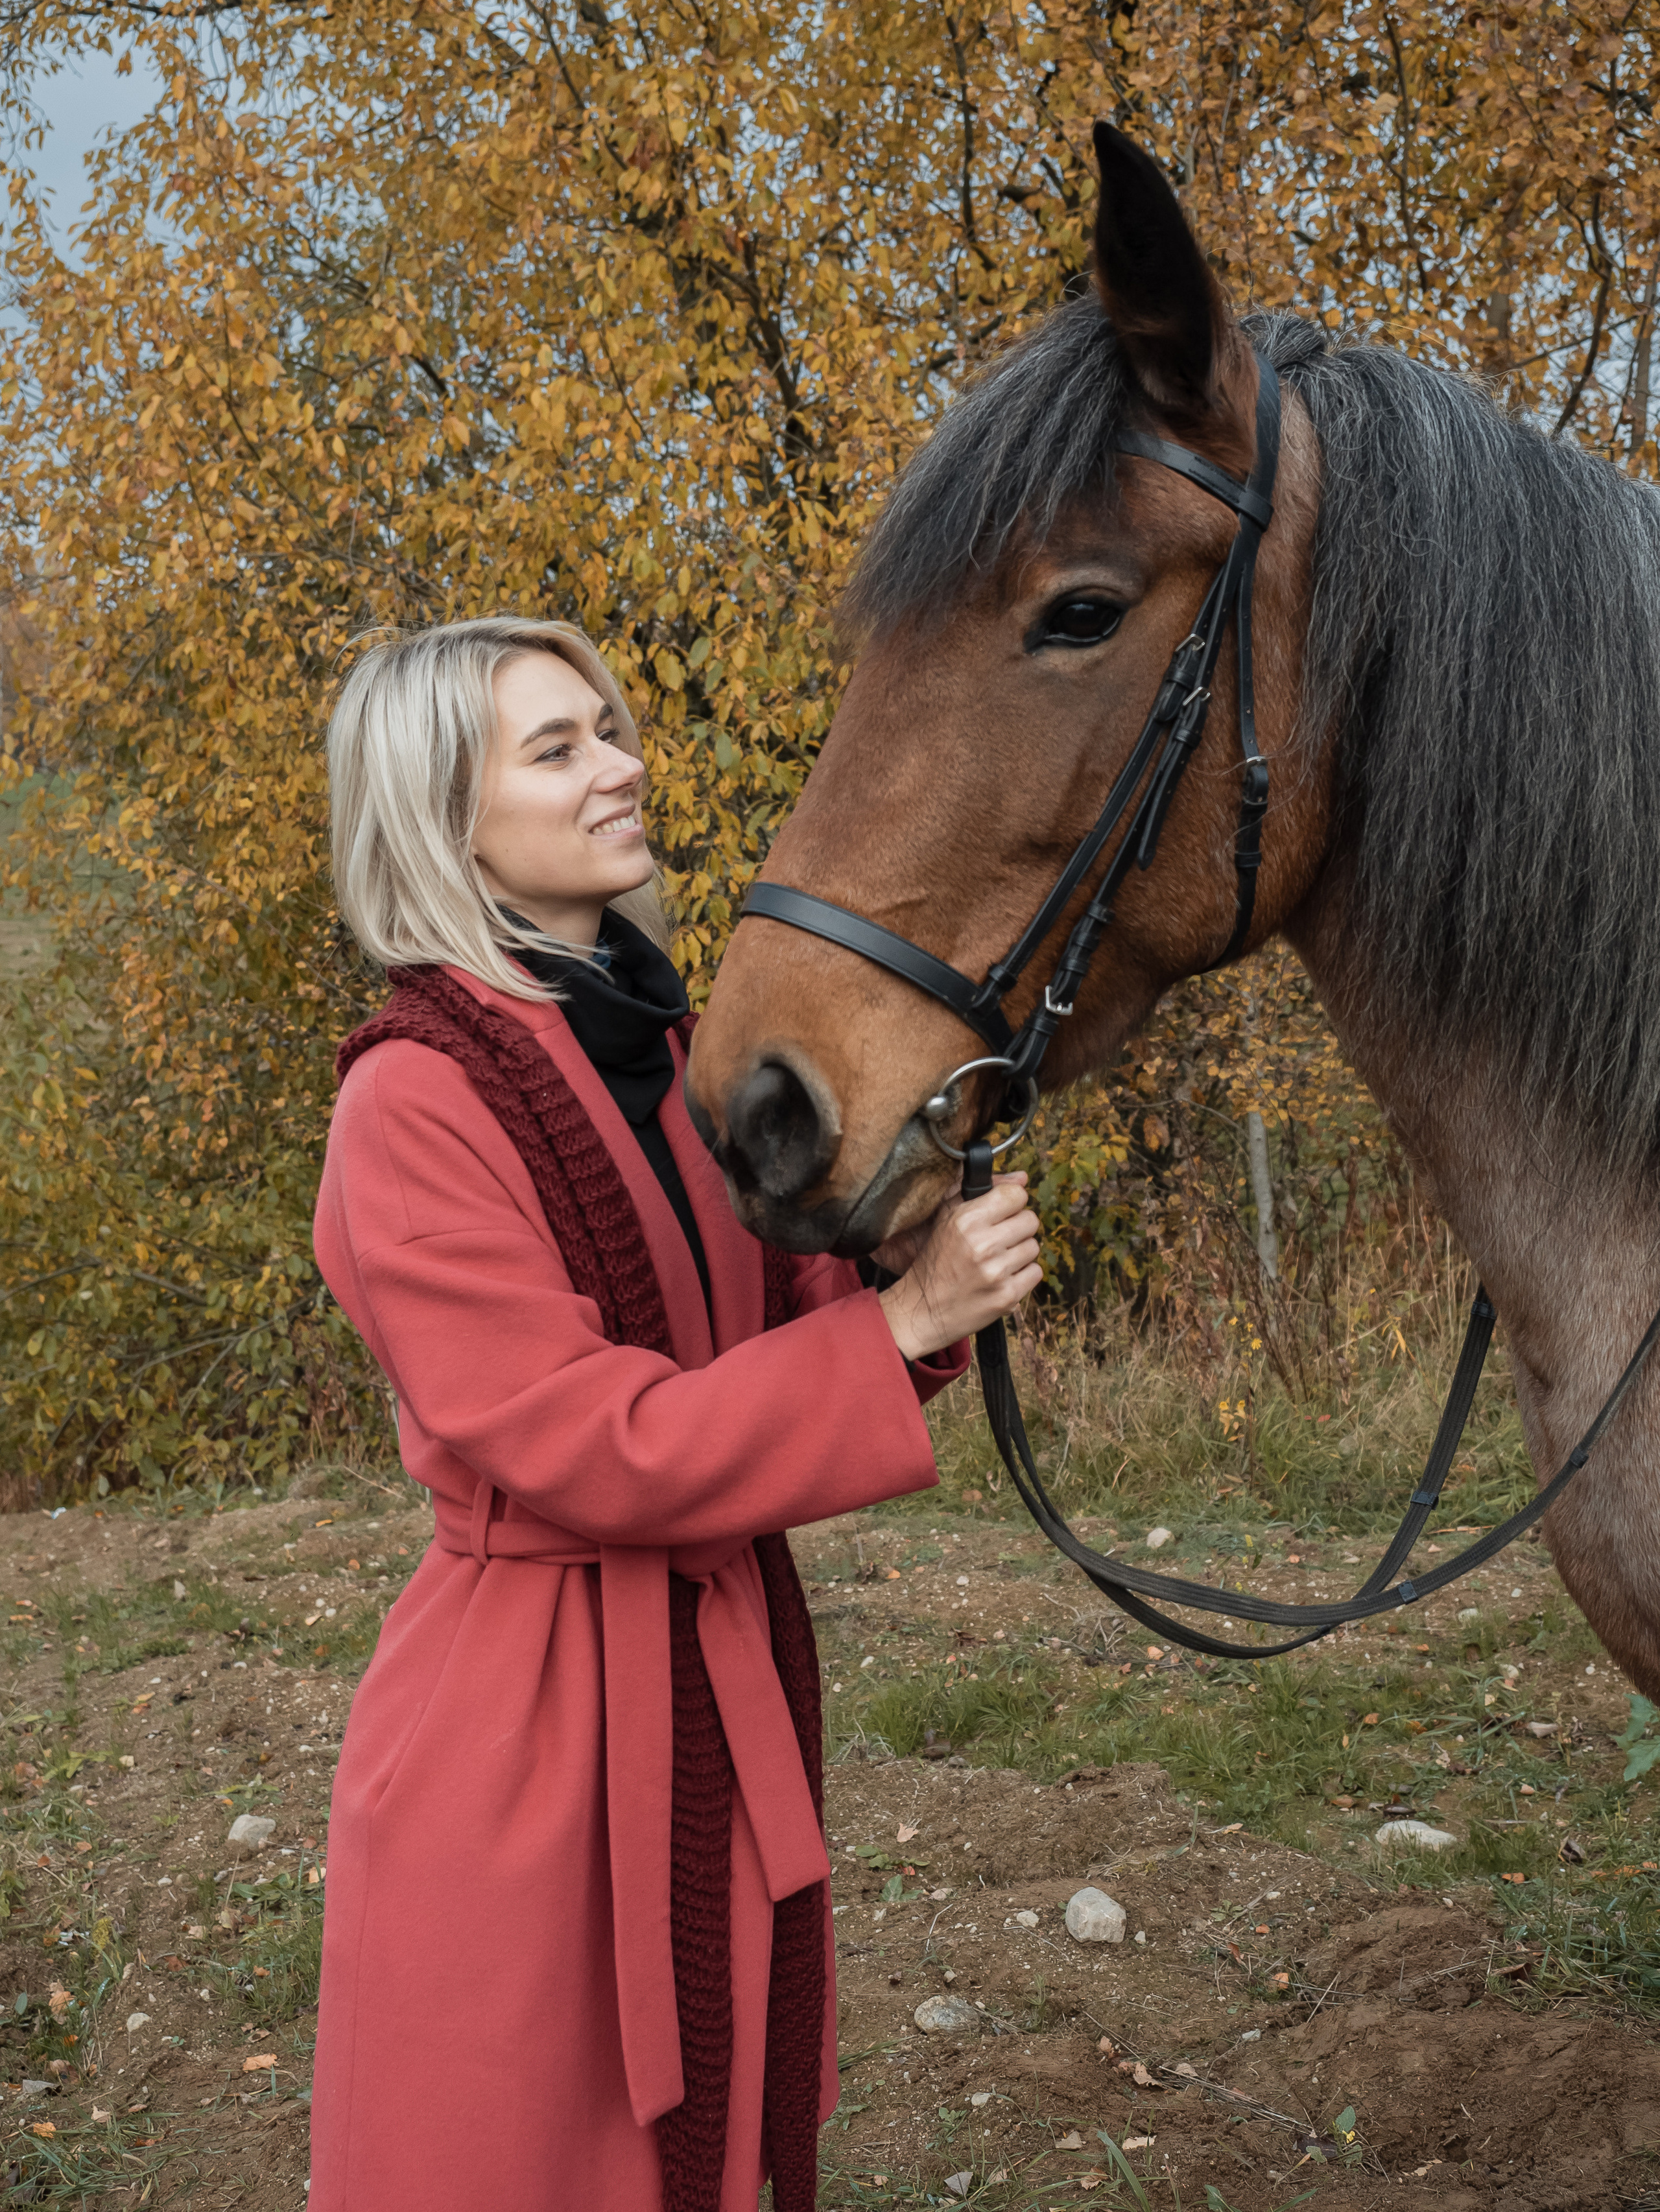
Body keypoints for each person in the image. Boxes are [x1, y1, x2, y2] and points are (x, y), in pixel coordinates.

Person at [309, 616, 1043, 2212]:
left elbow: (755, 1329)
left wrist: (904, 1276)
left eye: (611, 729)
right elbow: (584, 1439)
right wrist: (897, 1332)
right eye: (558, 746)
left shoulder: (664, 1048)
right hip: (526, 1727)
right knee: (521, 2150)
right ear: (441, 816)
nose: (623, 767)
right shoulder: (409, 1100)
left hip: (716, 1673)